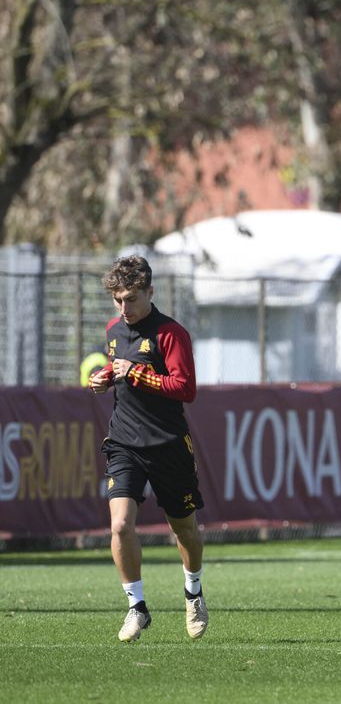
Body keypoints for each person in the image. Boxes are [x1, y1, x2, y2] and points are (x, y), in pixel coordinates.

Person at [89, 256, 208, 642]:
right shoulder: (112, 330)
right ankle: (136, 607)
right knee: (120, 524)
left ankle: (193, 592)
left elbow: (185, 389)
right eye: (118, 300)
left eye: (131, 299)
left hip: (168, 444)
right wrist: (105, 379)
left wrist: (136, 373)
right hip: (124, 442)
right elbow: (119, 370)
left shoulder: (170, 334)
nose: (124, 308)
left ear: (150, 293)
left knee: (184, 529)